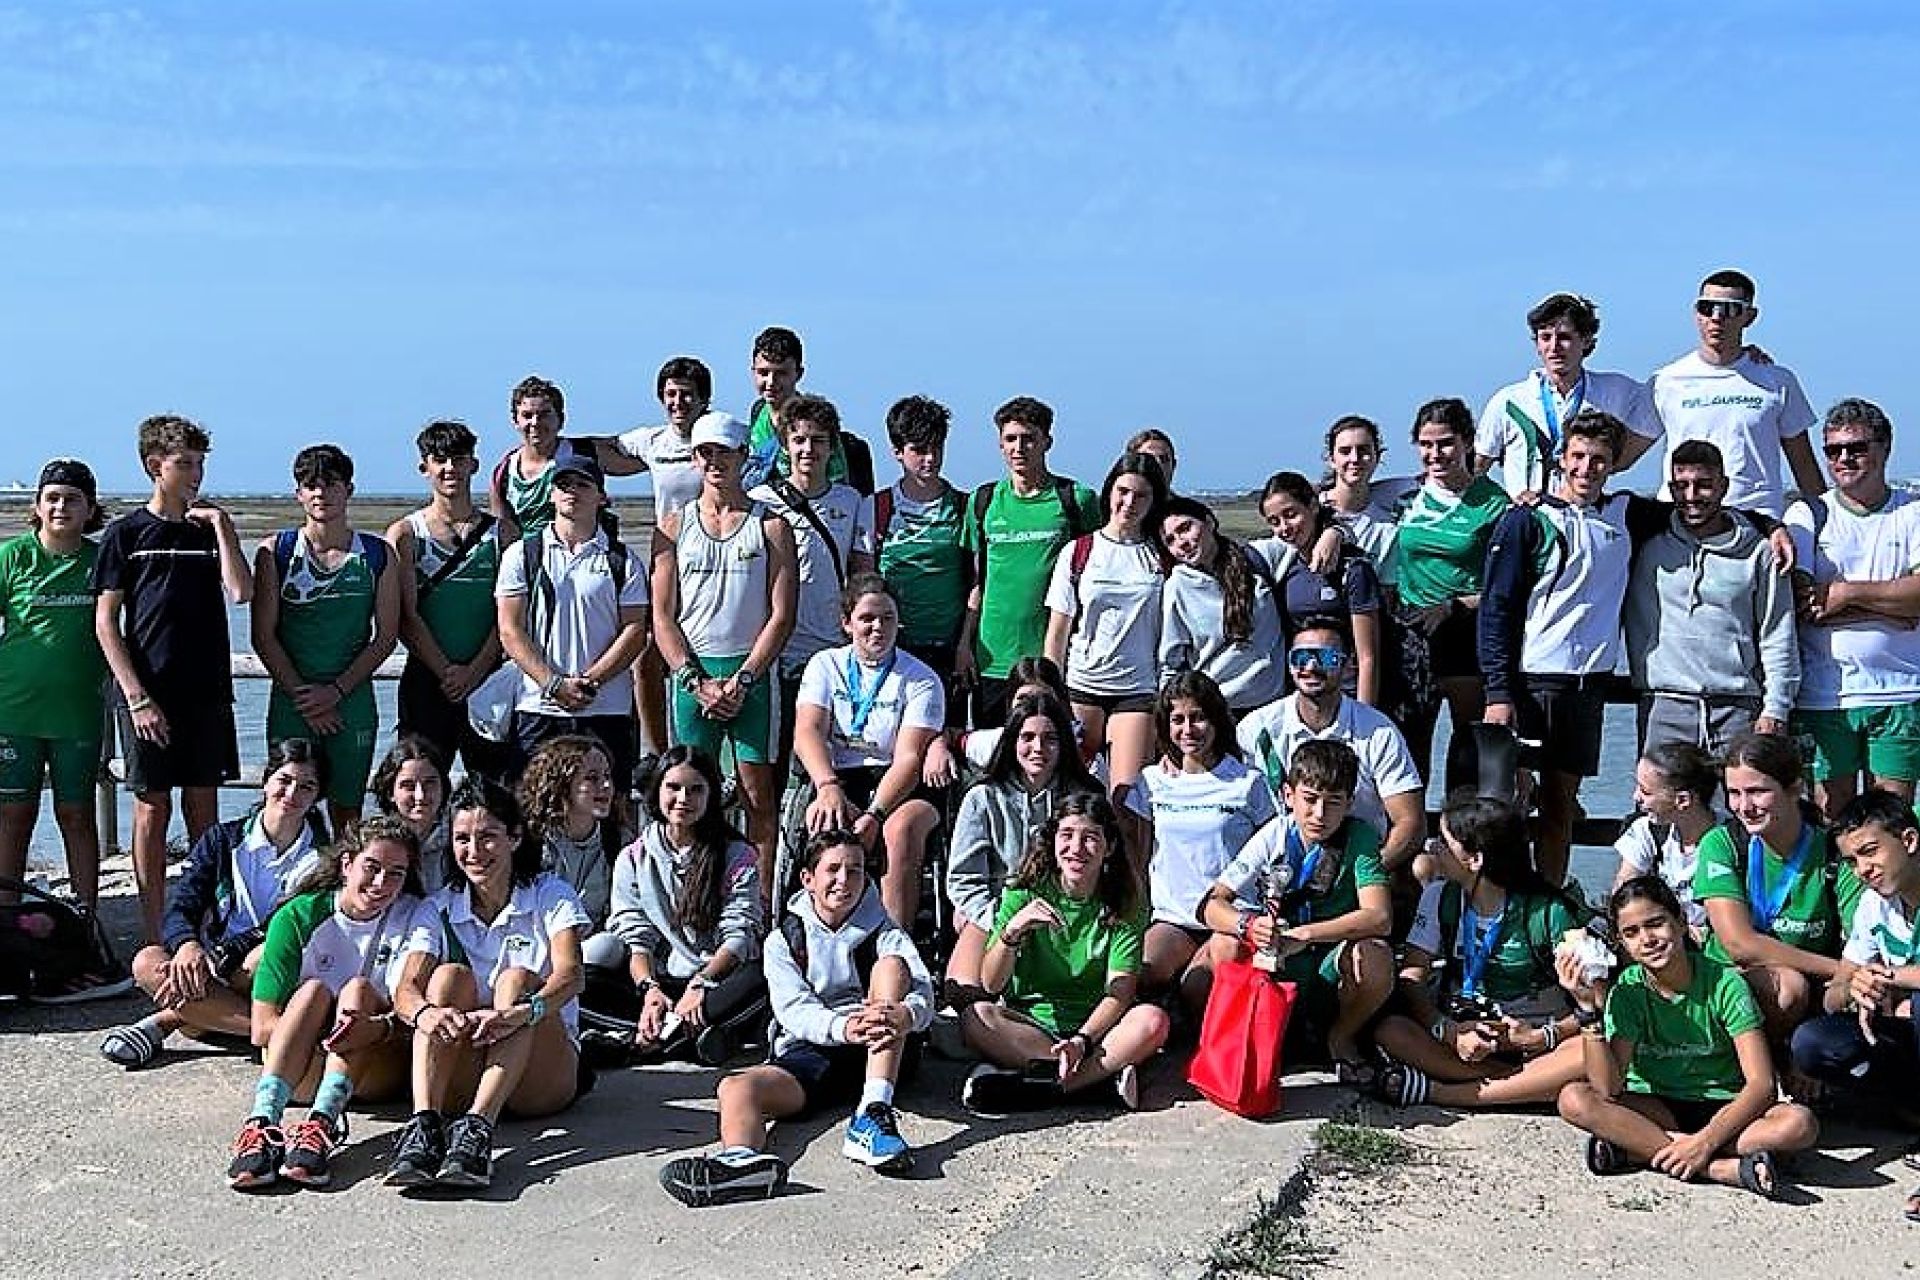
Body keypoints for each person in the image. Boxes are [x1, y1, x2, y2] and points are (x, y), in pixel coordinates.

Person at [658, 829, 935, 1206]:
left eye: (855, 870)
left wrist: (907, 1014)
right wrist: (842, 1027)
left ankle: (874, 1111)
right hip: (815, 1050)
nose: (844, 880)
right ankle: (741, 1162)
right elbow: (794, 1009)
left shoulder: (885, 930)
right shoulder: (784, 940)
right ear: (808, 879)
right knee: (735, 1088)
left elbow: (923, 991)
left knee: (892, 967)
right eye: (833, 869)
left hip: (883, 1050)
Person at [1478, 411, 1658, 885]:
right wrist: (1498, 692)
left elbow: (1700, 511)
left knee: (1561, 806)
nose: (1586, 468)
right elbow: (1496, 610)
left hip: (1588, 687)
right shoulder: (1526, 520)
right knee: (1507, 808)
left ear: (1613, 464)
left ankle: (1551, 901)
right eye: (1577, 456)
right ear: (1560, 458)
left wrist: (1771, 527)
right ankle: (1502, 901)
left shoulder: (1626, 514)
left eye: (1598, 460)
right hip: (1532, 683)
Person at [1556, 876, 1818, 1199]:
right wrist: (1586, 1010)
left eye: (1656, 924)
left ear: (1680, 922)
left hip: (1725, 1105)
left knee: (1798, 1124)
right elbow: (1607, 1088)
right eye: (1632, 933)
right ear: (1621, 942)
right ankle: (1719, 1169)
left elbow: (1761, 1084)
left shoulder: (1724, 984)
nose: (1647, 939)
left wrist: (1705, 1141)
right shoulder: (1627, 990)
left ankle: (1638, 1149)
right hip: (1658, 1104)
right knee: (1574, 1098)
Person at [93, 413, 252, 942]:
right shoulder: (126, 534)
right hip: (148, 693)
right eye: (184, 464)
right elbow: (105, 622)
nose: (195, 475)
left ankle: (200, 926)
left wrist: (223, 528)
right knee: (151, 807)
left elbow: (241, 592)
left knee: (203, 807)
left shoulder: (206, 531)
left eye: (200, 464)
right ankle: (154, 931)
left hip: (206, 691)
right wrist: (136, 696)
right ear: (153, 466)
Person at [385, 779, 589, 1190]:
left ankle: (478, 1130)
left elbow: (571, 975)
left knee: (516, 980)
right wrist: (426, 1015)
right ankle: (425, 1125)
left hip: (540, 1076)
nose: (474, 852)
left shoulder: (551, 893)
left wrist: (522, 1013)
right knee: (447, 978)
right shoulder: (438, 906)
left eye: (488, 837)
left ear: (515, 838)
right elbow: (406, 989)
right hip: (467, 1066)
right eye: (463, 839)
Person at [225, 816, 432, 1190]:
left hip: (375, 1064)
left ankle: (322, 1124)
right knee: (313, 992)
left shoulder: (416, 916)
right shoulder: (299, 915)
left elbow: (421, 1017)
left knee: (358, 991)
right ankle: (262, 1123)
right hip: (305, 1065)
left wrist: (370, 1028)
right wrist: (327, 1036)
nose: (381, 883)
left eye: (396, 874)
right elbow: (262, 1028)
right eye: (372, 868)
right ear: (347, 864)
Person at [99, 740, 327, 1069]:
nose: (292, 793)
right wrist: (187, 946)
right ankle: (275, 1031)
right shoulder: (222, 839)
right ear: (266, 781)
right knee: (147, 962)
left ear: (317, 796)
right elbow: (182, 904)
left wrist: (217, 959)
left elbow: (279, 927)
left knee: (262, 956)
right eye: (284, 780)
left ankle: (175, 1018)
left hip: (273, 966)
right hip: (219, 965)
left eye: (306, 787)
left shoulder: (325, 858)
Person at [651, 410, 798, 885]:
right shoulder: (673, 526)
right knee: (688, 796)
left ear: (743, 456)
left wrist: (745, 678)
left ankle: (759, 903)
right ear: (694, 459)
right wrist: (693, 680)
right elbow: (662, 616)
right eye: (705, 453)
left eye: (725, 453)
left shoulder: (771, 526)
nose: (715, 462)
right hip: (693, 676)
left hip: (750, 676)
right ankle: (694, 892)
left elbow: (782, 614)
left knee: (758, 796)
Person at [1369, 794, 1589, 1109]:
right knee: (1391, 1031)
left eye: (1444, 843)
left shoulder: (1548, 912)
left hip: (1537, 1037)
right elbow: (1412, 975)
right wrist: (1447, 1030)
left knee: (1589, 1051)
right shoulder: (1439, 897)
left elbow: (1594, 1003)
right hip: (1465, 1034)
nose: (1433, 848)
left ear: (1475, 860)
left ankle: (1444, 1093)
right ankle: (1527, 1085)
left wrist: (1544, 1036)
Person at [959, 793, 1167, 1114]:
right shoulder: (1023, 892)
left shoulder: (1125, 902)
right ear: (1053, 841)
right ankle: (1097, 1085)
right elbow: (991, 983)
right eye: (1067, 835)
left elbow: (1120, 993)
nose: (1076, 848)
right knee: (976, 1018)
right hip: (1033, 1026)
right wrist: (1012, 932)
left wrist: (1082, 1041)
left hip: (1097, 1033)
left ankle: (1042, 1089)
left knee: (1153, 1021)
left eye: (1090, 838)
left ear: (1109, 847)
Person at [1198, 739, 1393, 1068]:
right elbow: (1211, 905)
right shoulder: (1274, 834)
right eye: (1310, 799)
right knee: (1223, 944)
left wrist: (1305, 934)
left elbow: (1379, 916)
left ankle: (1341, 1037)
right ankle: (1247, 1045)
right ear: (1289, 795)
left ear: (1349, 803)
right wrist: (1249, 925)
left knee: (1375, 956)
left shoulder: (1360, 836)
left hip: (1328, 957)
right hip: (1278, 957)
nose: (1319, 814)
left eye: (1333, 802)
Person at [252, 444, 401, 833]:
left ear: (348, 490)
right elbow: (263, 636)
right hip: (292, 701)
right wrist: (306, 699)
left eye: (331, 484)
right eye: (311, 485)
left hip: (352, 702)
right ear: (298, 493)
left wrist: (335, 692)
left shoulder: (377, 554)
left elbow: (386, 636)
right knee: (286, 805)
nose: (321, 493)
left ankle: (344, 871)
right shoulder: (276, 551)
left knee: (347, 809)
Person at [1785, 398, 1920, 817]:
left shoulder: (1913, 512)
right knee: (1830, 818)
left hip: (1900, 692)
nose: (1844, 458)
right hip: (1825, 696)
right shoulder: (1808, 513)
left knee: (1892, 821)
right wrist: (1894, 608)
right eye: (1833, 450)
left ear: (1884, 448)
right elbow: (1807, 603)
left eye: (1857, 448)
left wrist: (1846, 595)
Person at [791, 574, 946, 930]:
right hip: (839, 776)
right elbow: (807, 732)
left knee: (899, 830)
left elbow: (909, 757)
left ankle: (893, 941)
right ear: (847, 623)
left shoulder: (920, 678)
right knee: (822, 821)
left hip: (899, 782)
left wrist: (875, 814)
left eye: (888, 618)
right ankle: (821, 932)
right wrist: (827, 786)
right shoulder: (825, 665)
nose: (878, 627)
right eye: (867, 619)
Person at [1626, 440, 1799, 756]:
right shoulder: (1643, 541)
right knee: (1656, 792)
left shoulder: (1760, 551)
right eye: (1681, 486)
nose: (1691, 496)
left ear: (1724, 486)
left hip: (1739, 709)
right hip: (1663, 707)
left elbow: (1777, 632)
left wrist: (1776, 707)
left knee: (1744, 792)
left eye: (1704, 485)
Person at [1693, 730, 1863, 1044]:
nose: (1744, 807)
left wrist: (1850, 976)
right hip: (1729, 974)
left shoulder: (1834, 851)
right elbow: (1739, 945)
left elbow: (1861, 939)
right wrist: (1841, 968)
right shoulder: (1721, 843)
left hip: (1816, 985)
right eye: (1734, 793)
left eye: (1757, 792)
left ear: (1795, 788)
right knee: (1789, 987)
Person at [495, 448, 650, 789]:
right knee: (533, 806)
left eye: (583, 484)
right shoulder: (522, 554)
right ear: (551, 494)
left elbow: (635, 630)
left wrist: (590, 682)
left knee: (608, 805)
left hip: (607, 709)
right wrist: (553, 683)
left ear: (601, 497)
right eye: (563, 484)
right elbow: (510, 629)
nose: (572, 492)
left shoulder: (624, 561)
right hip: (538, 707)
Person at [1124, 673, 1278, 1013]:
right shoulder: (1152, 781)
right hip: (1172, 919)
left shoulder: (1247, 782)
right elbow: (1140, 853)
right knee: (1139, 971)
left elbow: (1271, 853)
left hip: (1230, 918)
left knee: (1199, 986)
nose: (1188, 729)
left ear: (1216, 720)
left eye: (1198, 718)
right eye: (1178, 720)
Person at [605, 745, 768, 1065]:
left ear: (711, 796)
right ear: (657, 792)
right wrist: (650, 990)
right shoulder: (633, 858)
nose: (683, 799)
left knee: (765, 974)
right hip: (660, 981)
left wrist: (702, 983)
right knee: (587, 977)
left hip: (715, 980)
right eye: (674, 788)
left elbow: (739, 935)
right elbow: (636, 936)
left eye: (696, 790)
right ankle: (681, 1037)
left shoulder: (737, 855)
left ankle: (645, 1040)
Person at [593, 355, 718, 762]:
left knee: (702, 649)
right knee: (647, 655)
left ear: (704, 399)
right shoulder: (653, 441)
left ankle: (710, 747)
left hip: (715, 560)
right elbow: (603, 450)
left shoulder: (718, 437)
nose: (678, 402)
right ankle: (661, 754)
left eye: (687, 394)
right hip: (667, 557)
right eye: (670, 394)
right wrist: (544, 445)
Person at [1623, 269, 1824, 518]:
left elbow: (1804, 467)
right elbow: (1621, 458)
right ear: (1696, 313)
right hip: (1680, 522)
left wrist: (1826, 524)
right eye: (1707, 308)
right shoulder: (1665, 382)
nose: (1716, 318)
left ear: (1749, 316)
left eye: (1729, 309)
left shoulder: (1778, 381)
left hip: (1756, 522)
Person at [1790, 791, 1920, 1176]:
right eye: (1851, 861)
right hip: (1908, 1035)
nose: (1863, 869)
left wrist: (1889, 977)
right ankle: (1909, 1106)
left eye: (1870, 852)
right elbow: (1833, 995)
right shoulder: (1872, 904)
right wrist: (1856, 988)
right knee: (1812, 1041)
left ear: (1909, 841)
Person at [0, 459, 108, 915]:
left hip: (78, 711)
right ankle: (7, 917)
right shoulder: (11, 556)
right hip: (14, 710)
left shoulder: (101, 560)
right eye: (52, 498)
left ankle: (85, 918)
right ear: (37, 506)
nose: (61, 507)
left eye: (72, 499)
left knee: (76, 814)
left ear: (90, 509)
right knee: (13, 815)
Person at [1235, 619, 1426, 874]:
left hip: (1358, 862)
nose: (1311, 667)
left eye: (1326, 658)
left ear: (1348, 666)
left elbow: (1411, 823)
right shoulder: (1255, 728)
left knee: (1421, 867)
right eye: (1300, 658)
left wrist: (1361, 877)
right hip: (1275, 868)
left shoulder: (1379, 731)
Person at [748, 393, 875, 773]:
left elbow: (863, 574)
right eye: (799, 440)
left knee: (826, 760)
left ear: (832, 447)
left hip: (831, 652)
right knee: (770, 760)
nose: (808, 449)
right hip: (774, 654)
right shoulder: (760, 501)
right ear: (785, 444)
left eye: (818, 440)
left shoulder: (852, 502)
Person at [944, 690, 1101, 996]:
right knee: (963, 992)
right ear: (1012, 741)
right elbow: (964, 879)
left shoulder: (1084, 796)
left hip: (1065, 910)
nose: (1038, 748)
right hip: (998, 909)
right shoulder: (982, 797)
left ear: (1063, 744)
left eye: (1050, 739)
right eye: (1027, 738)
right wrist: (1001, 919)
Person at [1389, 398, 1509, 789]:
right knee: (1409, 746)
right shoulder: (1404, 495)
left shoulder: (1494, 503)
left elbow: (1508, 586)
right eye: (1426, 445)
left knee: (1467, 747)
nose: (1435, 454)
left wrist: (1455, 606)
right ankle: (1409, 826)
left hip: (1465, 632)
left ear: (1467, 442)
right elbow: (1346, 503)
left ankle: (1461, 822)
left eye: (1445, 443)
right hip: (1412, 633)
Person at [959, 396, 1101, 729]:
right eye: (1010, 439)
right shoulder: (983, 501)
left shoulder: (1076, 499)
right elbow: (977, 582)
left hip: (1049, 658)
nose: (1018, 448)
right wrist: (964, 644)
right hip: (992, 658)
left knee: (1045, 749)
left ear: (1047, 442)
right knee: (993, 751)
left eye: (1028, 438)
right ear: (1000, 444)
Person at [1044, 451, 1169, 799]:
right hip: (1080, 686)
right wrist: (1052, 693)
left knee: (1127, 799)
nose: (1129, 503)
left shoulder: (1161, 557)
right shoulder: (1078, 551)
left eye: (1141, 495)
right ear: (1109, 491)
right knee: (1072, 798)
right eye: (1122, 491)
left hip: (1137, 689)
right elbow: (1057, 632)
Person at [388, 419, 506, 783]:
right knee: (417, 786)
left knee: (493, 789)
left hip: (487, 678)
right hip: (427, 679)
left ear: (474, 464)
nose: (450, 468)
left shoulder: (503, 534)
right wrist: (446, 671)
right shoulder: (406, 534)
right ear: (424, 467)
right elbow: (405, 615)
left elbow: (510, 616)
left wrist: (475, 671)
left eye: (459, 459)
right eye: (440, 460)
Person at [1474, 291, 1659, 497]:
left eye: (1564, 337)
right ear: (1537, 344)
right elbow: (1476, 468)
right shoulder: (1509, 401)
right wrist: (1501, 503)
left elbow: (1660, 405)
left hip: (1585, 510)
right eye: (1545, 337)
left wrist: (1616, 464)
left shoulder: (1614, 390)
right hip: (1527, 512)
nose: (1554, 347)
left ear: (1586, 341)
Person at [865, 396, 971, 743]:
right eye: (919, 450)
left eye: (937, 448)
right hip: (894, 649)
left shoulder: (965, 506)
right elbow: (865, 584)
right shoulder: (876, 507)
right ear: (897, 451)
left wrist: (965, 646)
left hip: (948, 651)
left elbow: (977, 581)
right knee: (893, 746)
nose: (930, 458)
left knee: (944, 750)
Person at [1257, 471, 1382, 705]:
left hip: (1347, 693)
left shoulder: (1352, 568)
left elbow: (1368, 657)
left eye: (1291, 514)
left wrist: (1365, 715)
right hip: (1305, 693)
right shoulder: (1284, 567)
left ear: (1313, 506)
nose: (1284, 527)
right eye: (1274, 522)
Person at [1155, 495, 1287, 716]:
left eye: (1185, 528)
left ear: (1209, 522)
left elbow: (1307, 534)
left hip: (1273, 707)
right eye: (1170, 540)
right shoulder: (1177, 586)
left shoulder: (1258, 558)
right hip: (1216, 711)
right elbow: (1171, 659)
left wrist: (1335, 532)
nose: (1181, 543)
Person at [518, 734, 628, 969]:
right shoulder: (531, 841)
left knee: (607, 947)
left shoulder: (618, 842)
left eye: (607, 777)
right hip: (537, 948)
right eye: (592, 778)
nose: (606, 786)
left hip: (588, 951)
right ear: (562, 785)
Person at [740, 325, 876, 494]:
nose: (771, 382)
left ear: (799, 373)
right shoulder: (758, 411)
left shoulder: (815, 420)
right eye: (763, 372)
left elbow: (838, 484)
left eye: (781, 373)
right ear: (752, 372)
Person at [1611, 741, 1719, 935]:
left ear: (1682, 800)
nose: (1635, 797)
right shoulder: (1647, 830)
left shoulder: (1730, 839)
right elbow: (1622, 897)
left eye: (1645, 792)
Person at [489, 374, 576, 543]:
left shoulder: (582, 455)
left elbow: (628, 457)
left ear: (561, 420)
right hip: (529, 555)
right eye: (527, 415)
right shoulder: (503, 473)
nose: (535, 422)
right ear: (515, 421)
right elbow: (503, 536)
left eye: (544, 414)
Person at [372, 734, 451, 894]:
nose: (420, 795)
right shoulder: (374, 843)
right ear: (390, 792)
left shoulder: (461, 840)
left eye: (430, 783)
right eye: (408, 785)